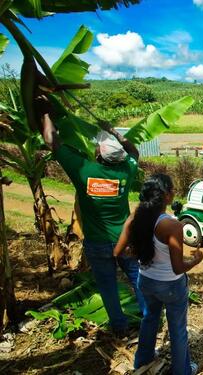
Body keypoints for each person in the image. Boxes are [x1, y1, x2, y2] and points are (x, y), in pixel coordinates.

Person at [36, 95, 145, 335]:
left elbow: (52, 142)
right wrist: (113, 131)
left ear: (99, 155)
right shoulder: (125, 171)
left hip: (97, 243)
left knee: (107, 286)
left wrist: (45, 113)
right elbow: (134, 152)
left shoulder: (84, 170)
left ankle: (119, 327)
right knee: (138, 280)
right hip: (124, 239)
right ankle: (149, 319)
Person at [114, 174, 203, 374]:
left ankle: (142, 360)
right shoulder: (171, 225)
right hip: (170, 286)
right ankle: (182, 371)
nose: (173, 192)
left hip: (145, 281)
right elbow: (178, 267)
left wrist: (137, 252)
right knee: (177, 329)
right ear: (165, 195)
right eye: (172, 189)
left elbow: (117, 252)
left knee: (149, 318)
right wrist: (196, 260)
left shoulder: (135, 217)